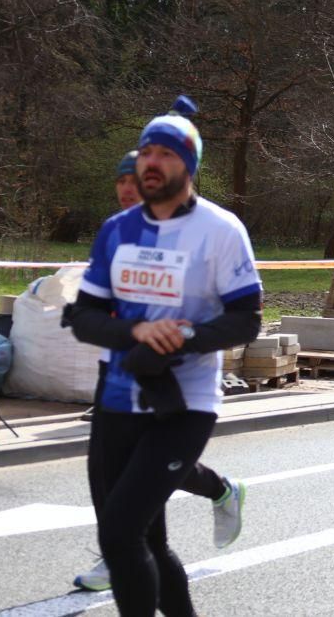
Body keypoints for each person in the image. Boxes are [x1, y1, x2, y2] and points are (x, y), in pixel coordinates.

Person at [67, 96, 262, 615]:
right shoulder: (117, 230)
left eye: (166, 154)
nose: (151, 162)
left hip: (184, 403)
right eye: (146, 152)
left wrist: (184, 337)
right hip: (117, 398)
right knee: (146, 540)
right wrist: (137, 330)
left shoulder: (221, 230)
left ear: (189, 165)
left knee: (119, 531)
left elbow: (247, 319)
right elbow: (84, 317)